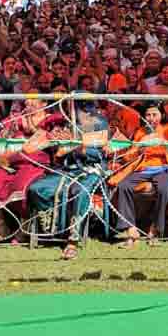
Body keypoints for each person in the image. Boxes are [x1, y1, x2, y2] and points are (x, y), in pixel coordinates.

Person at [26, 96, 111, 260]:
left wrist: (78, 146)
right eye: (71, 107)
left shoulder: (99, 126)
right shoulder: (64, 126)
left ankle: (73, 239)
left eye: (78, 107)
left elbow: (99, 155)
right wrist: (56, 142)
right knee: (37, 188)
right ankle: (53, 231)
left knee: (79, 191)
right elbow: (53, 152)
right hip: (66, 170)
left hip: (91, 170)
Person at [0, 98, 54, 248]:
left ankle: (24, 230)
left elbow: (45, 139)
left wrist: (30, 124)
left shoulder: (52, 120)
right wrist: (10, 130)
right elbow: (0, 138)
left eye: (33, 101)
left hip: (34, 165)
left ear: (44, 104)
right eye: (27, 101)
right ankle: (1, 229)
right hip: (9, 163)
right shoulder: (15, 119)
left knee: (20, 186)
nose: (29, 104)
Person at [109, 105, 168, 247]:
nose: (151, 118)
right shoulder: (140, 131)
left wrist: (164, 142)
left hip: (162, 168)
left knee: (164, 188)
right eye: (148, 115)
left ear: (161, 116)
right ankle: (130, 229)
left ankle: (155, 229)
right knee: (123, 186)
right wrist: (140, 145)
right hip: (143, 168)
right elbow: (129, 156)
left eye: (155, 114)